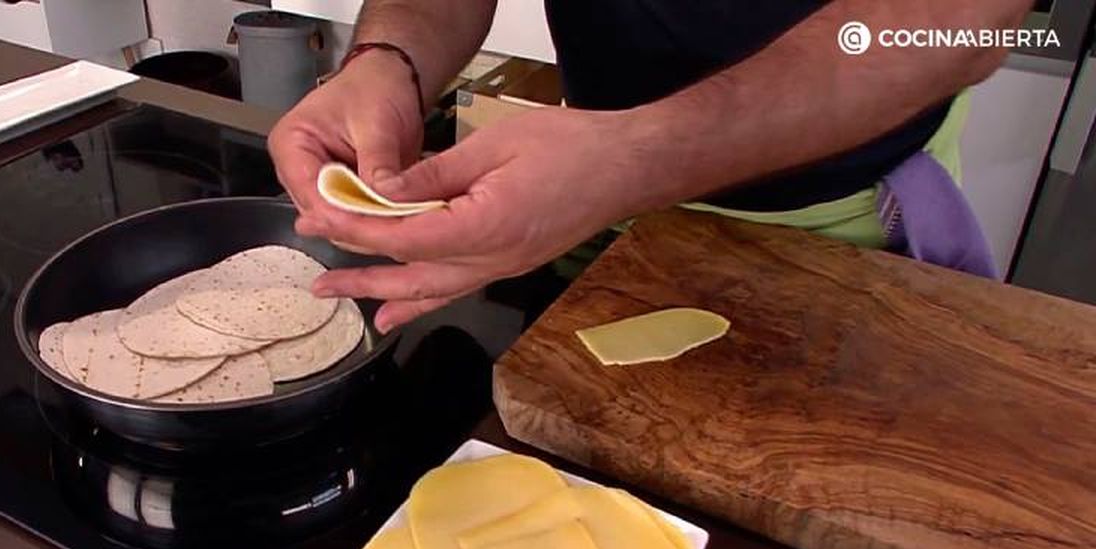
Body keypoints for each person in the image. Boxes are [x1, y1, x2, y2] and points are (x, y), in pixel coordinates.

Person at [268, 1, 1033, 333]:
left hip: (835, 243)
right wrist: (390, 57)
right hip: (579, 216)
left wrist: (632, 157)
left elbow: (952, 23)